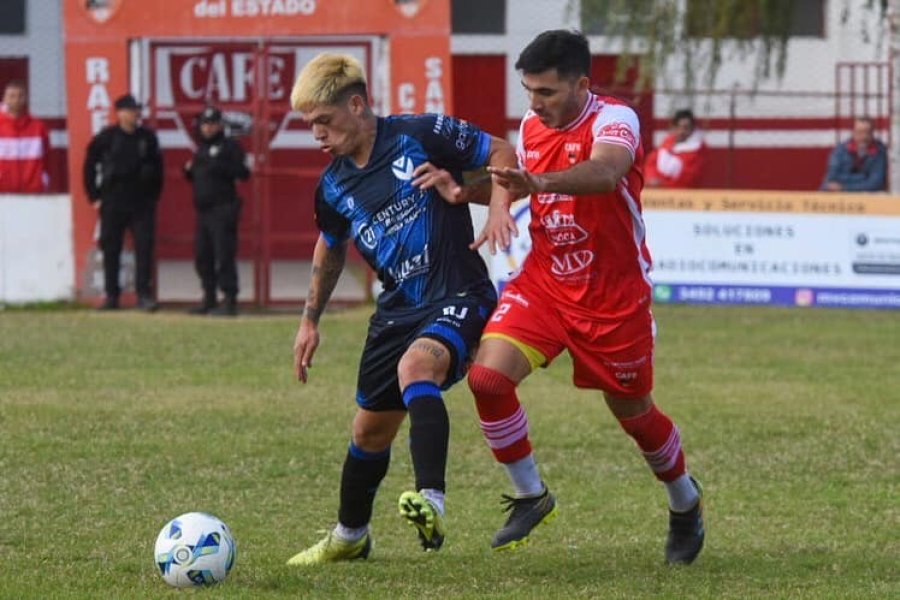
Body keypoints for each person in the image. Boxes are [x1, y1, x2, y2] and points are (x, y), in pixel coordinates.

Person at [458, 30, 704, 565]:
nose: (534, 104)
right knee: (488, 379)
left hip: (613, 298)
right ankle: (530, 495)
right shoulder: (530, 125)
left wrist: (534, 182)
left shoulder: (616, 119)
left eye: (545, 92)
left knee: (635, 415)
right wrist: (478, 194)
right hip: (545, 283)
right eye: (528, 91)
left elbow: (605, 171)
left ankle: (685, 502)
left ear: (582, 85)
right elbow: (510, 179)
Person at [285, 53, 516, 566]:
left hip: (458, 292)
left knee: (418, 366)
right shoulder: (334, 186)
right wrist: (309, 320)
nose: (317, 135)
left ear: (357, 103)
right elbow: (331, 245)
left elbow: (501, 149)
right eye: (309, 126)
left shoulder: (421, 134)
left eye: (323, 121)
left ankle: (431, 500)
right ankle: (350, 537)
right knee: (368, 430)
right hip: (397, 309)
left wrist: (497, 204)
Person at [83, 93, 164, 311]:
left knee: (144, 248)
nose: (134, 114)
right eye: (129, 110)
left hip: (141, 202)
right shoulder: (107, 137)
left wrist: (152, 197)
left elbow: (158, 169)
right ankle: (112, 296)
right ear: (119, 113)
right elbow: (89, 164)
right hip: (113, 201)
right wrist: (94, 196)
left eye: (136, 110)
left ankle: (144, 295)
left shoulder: (147, 138)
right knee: (111, 248)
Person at [183, 106, 249, 316]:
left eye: (212, 123)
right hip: (203, 211)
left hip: (223, 209)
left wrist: (217, 165)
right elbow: (198, 175)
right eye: (205, 123)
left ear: (220, 125)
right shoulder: (201, 149)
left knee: (224, 255)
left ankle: (229, 300)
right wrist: (189, 171)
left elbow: (243, 172)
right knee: (203, 256)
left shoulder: (230, 147)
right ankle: (209, 298)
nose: (208, 128)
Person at [0, 80, 50, 193]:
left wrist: (43, 180)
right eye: (12, 96)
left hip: (33, 191)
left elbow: (47, 156)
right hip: (2, 191)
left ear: (26, 98)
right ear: (4, 99)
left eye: (20, 96)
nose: (16, 100)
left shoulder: (38, 127)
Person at [644, 108, 706, 188]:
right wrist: (652, 178)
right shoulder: (667, 142)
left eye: (686, 128)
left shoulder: (698, 149)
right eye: (678, 127)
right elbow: (651, 162)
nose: (681, 131)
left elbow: (690, 178)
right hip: (656, 190)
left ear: (692, 128)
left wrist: (662, 184)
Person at [820, 117, 887, 192]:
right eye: (860, 132)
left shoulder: (880, 151)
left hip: (866, 198)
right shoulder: (840, 150)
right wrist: (862, 177)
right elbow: (831, 179)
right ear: (853, 132)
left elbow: (875, 184)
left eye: (867, 132)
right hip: (838, 198)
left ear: (872, 133)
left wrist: (844, 187)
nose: (864, 137)